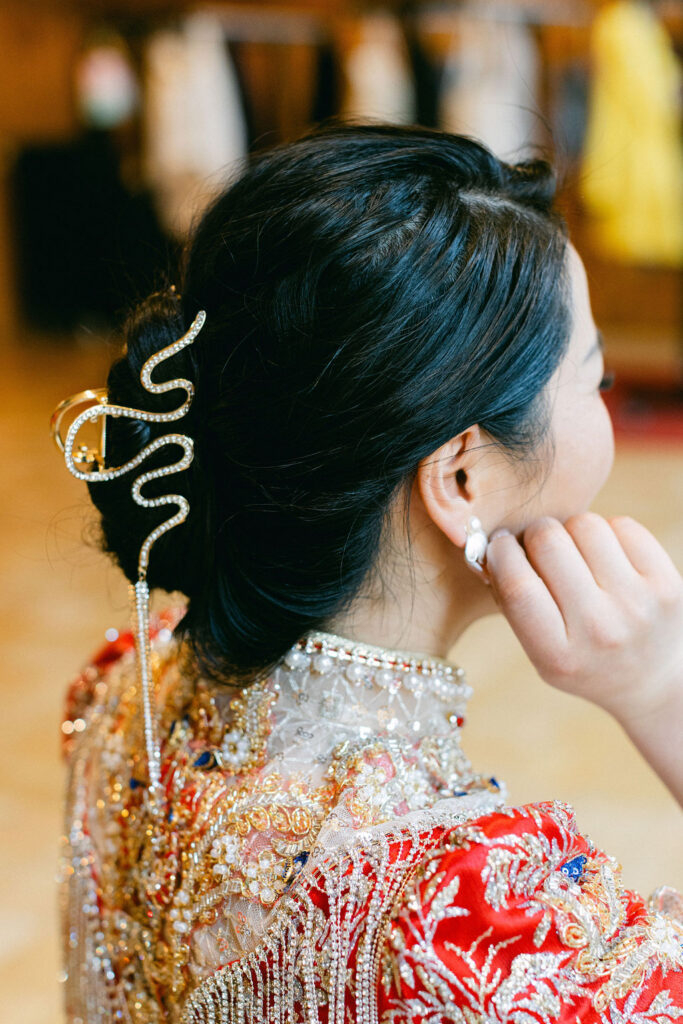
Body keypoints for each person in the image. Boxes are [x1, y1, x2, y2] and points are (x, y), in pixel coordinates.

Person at [55, 122, 683, 1024]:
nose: (604, 403)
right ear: (461, 477)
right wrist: (662, 691)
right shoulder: (470, 923)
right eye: (595, 377)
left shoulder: (124, 692)